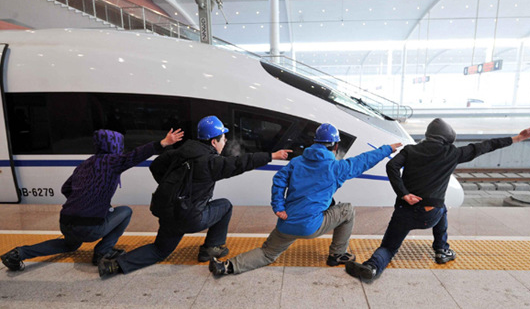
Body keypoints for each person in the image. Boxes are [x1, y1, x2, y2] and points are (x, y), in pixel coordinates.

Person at [345, 118, 530, 283]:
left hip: (405, 212)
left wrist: (404, 193)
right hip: (431, 214)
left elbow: (391, 166)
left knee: (388, 247)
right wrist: (517, 138)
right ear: (447, 138)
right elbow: (486, 146)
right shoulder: (453, 153)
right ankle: (442, 250)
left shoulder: (410, 151)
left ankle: (371, 268)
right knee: (442, 209)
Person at [98, 115, 291, 277]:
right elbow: (241, 162)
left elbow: (155, 167)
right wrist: (271, 156)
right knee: (225, 206)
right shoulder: (211, 162)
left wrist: (174, 189)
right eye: (223, 138)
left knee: (159, 250)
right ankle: (211, 249)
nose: (225, 143)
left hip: (168, 212)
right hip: (191, 217)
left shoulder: (179, 152)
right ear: (214, 141)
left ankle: (114, 266)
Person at [209, 123, 402, 276]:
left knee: (267, 253)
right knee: (347, 210)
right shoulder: (336, 168)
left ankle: (227, 267)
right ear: (335, 146)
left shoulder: (296, 162)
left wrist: (278, 206)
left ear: (315, 143)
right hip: (311, 226)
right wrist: (386, 149)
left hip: (286, 221)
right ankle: (337, 254)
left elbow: (278, 180)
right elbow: (363, 161)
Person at [1, 128, 183, 271]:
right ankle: (103, 252)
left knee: (68, 244)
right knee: (126, 211)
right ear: (115, 145)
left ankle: (18, 253)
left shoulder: (85, 164)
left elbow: (66, 189)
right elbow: (135, 155)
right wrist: (163, 143)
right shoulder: (113, 161)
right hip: (89, 227)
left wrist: (84, 202)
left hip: (66, 222)